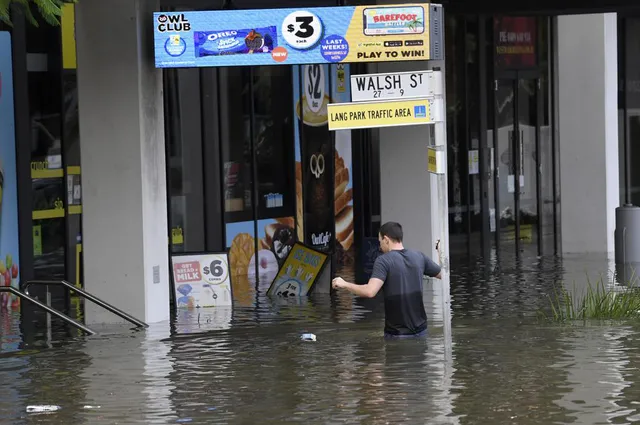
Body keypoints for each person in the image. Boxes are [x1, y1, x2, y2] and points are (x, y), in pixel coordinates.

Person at [332, 222, 442, 339]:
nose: (380, 246)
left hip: (397, 334)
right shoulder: (419, 256)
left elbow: (370, 291)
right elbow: (443, 275)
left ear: (386, 239)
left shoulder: (383, 261)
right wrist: (440, 254)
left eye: (380, 241)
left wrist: (344, 283)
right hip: (422, 331)